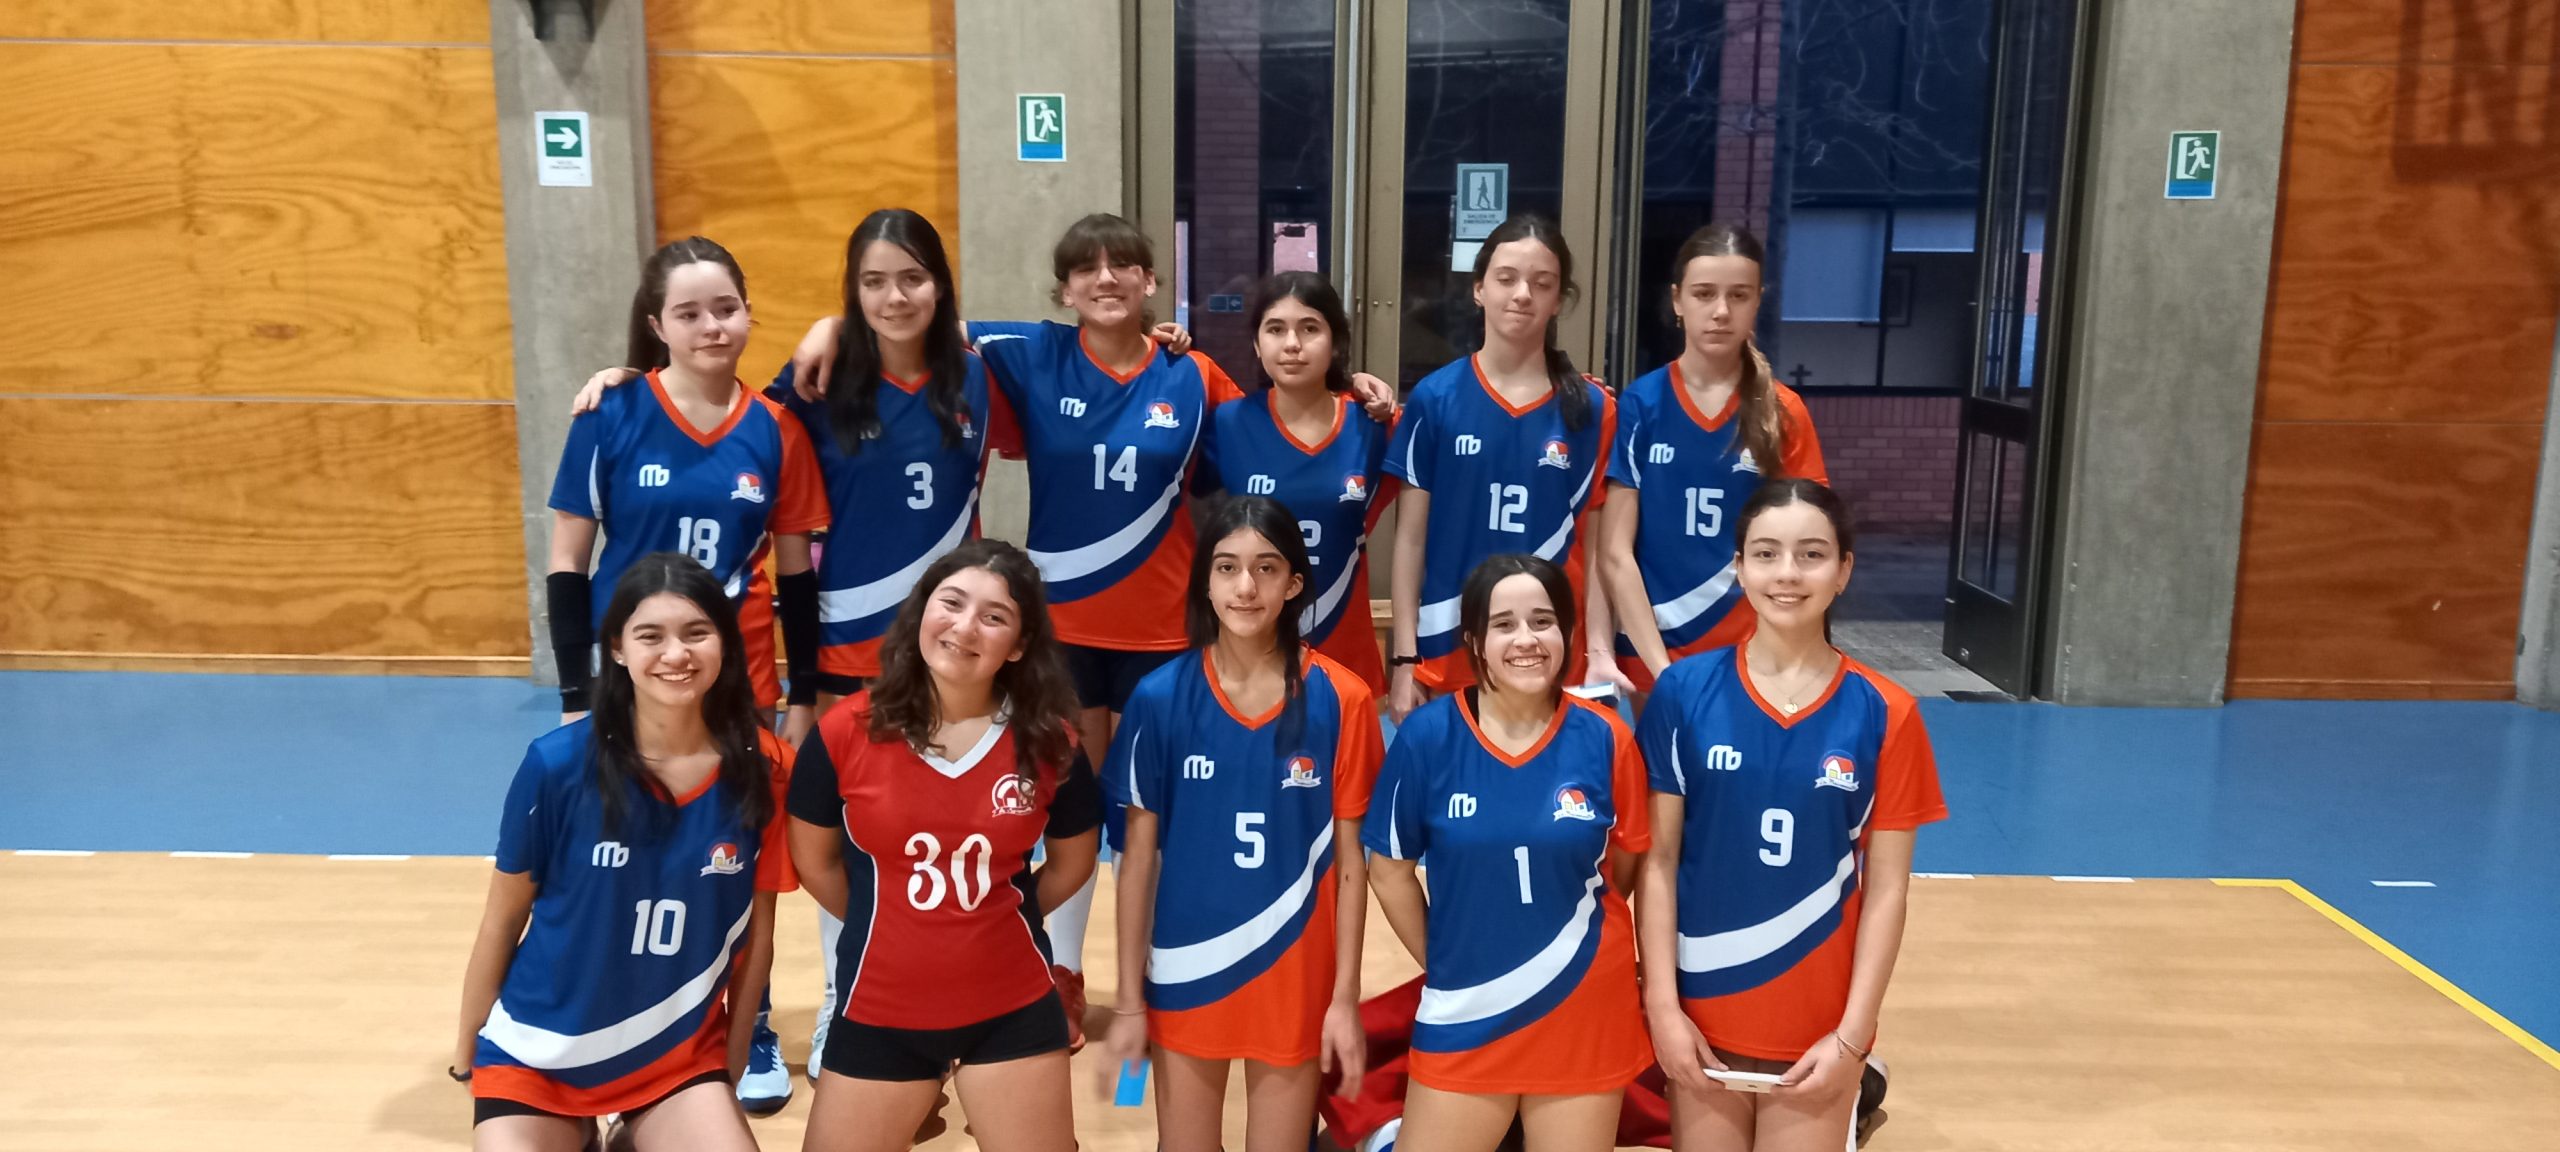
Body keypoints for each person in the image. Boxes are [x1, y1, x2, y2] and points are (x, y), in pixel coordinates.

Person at [1634, 480, 1945, 1152]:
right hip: (1700, 1018)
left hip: (1817, 1030)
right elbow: (1658, 861)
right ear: (1739, 566)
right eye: (1766, 553)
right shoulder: (1683, 693)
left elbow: (1887, 890)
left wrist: (1853, 1038)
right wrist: (1661, 1008)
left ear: (1844, 570)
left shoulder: (1887, 712)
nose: (1787, 574)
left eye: (1811, 555)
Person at [453, 553, 796, 1152]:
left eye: (696, 632)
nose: (675, 654)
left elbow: (757, 937)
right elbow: (503, 920)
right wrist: (466, 1055)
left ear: (725, 642)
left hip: (676, 1053)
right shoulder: (556, 765)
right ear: (617, 648)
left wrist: (732, 1062)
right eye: (650, 636)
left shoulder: (767, 769)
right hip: (539, 1050)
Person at [786, 538, 1101, 1152]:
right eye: (951, 603)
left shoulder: (1051, 743)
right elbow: (815, 862)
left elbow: (1074, 861)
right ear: (922, 611)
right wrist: (892, 918)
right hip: (880, 1005)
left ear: (1019, 645)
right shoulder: (843, 733)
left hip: (1012, 1002)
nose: (964, 627)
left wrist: (991, 915)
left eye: (994, 616)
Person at [1099, 495, 1382, 1152]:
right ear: (1205, 580)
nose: (1246, 587)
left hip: (1294, 971)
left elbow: (1352, 865)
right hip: (1186, 966)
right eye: (1226, 567)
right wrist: (1129, 1001)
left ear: (1295, 583)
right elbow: (1136, 861)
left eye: (1266, 568)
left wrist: (1344, 999)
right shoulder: (1159, 698)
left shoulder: (1345, 699)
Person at [1360, 554, 1653, 1152]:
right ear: (1474, 640)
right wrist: (1444, 959)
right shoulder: (1427, 737)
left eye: (1543, 622)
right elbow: (1388, 872)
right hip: (1466, 1007)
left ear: (1568, 632)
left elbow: (1622, 871)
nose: (1526, 640)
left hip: (1581, 1005)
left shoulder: (1607, 737)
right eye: (1504, 624)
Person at [546, 237, 830, 745]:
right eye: (688, 314)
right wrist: (574, 694)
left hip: (741, 667)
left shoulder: (779, 429)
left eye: (726, 309)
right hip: (633, 665)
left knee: (741, 797)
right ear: (657, 326)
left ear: (748, 312)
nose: (711, 327)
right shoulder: (608, 414)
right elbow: (567, 564)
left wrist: (803, 696)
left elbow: (796, 576)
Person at [1384, 216, 1618, 723]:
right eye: (1507, 278)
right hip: (1449, 644)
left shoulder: (1593, 409)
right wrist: (1404, 658)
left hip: (1552, 651)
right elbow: (1410, 540)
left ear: (1559, 300)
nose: (1523, 294)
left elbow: (1600, 548)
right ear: (1479, 289)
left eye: (1542, 283)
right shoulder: (1435, 398)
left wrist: (1600, 649)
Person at [1598, 224, 1827, 695]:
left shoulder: (1784, 412)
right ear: (1678, 300)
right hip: (1653, 648)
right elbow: (1616, 552)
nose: (1721, 311)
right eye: (1704, 294)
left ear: (1758, 301)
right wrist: (1663, 672)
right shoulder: (1642, 405)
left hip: (1756, 656)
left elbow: (1809, 552)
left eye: (1738, 295)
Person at [1196, 273, 1396, 695]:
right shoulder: (1228, 423)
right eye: (1275, 329)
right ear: (1256, 344)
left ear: (1336, 342)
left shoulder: (1374, 423)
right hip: (1249, 651)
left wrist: (1359, 382)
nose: (1292, 344)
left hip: (1345, 649)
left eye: (1309, 329)